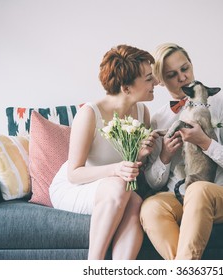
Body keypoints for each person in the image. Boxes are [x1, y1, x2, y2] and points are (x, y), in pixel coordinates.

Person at [140, 43, 223, 260]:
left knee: (198, 190)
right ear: (160, 81)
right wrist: (165, 157)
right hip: (178, 197)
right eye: (172, 75)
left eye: (185, 68)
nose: (182, 77)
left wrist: (205, 142)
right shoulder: (159, 119)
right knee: (150, 208)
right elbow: (154, 183)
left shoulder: (220, 103)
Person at [49, 44, 159, 260]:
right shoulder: (89, 114)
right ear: (126, 87)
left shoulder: (142, 111)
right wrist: (117, 169)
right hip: (75, 186)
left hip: (115, 188)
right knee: (120, 185)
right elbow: (74, 173)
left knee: (135, 200)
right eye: (148, 78)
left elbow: (132, 168)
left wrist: (141, 156)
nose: (156, 82)